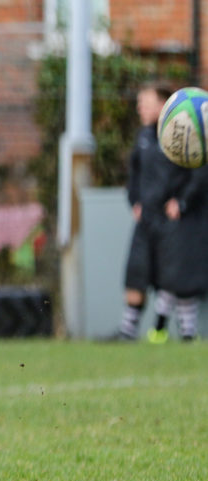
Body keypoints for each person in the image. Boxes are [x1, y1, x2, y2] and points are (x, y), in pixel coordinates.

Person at [116, 84, 208, 342]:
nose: (139, 108)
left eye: (145, 103)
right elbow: (134, 174)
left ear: (164, 105)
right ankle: (127, 332)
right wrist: (134, 200)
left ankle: (185, 333)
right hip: (147, 218)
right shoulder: (144, 137)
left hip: (174, 219)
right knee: (136, 273)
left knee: (178, 276)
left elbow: (200, 174)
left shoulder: (188, 133)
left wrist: (182, 201)